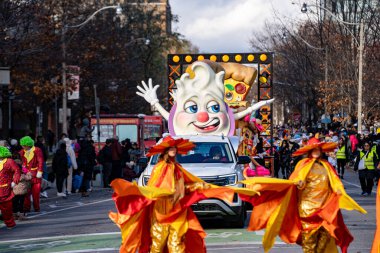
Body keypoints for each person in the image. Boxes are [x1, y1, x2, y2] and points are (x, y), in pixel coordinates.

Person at [109, 135, 256, 252]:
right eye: (170, 148)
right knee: (158, 244)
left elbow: (187, 184)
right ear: (165, 151)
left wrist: (201, 186)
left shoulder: (176, 167)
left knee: (176, 243)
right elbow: (155, 188)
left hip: (177, 211)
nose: (173, 150)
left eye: (174, 147)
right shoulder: (159, 168)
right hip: (161, 213)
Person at [240, 137, 366, 253]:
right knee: (310, 244)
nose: (316, 151)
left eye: (318, 148)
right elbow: (298, 179)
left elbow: (335, 182)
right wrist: (299, 183)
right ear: (309, 150)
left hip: (325, 211)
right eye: (313, 148)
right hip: (308, 211)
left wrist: (339, 191)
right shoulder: (303, 164)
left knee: (326, 240)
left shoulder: (327, 166)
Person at [19, 136, 44, 213]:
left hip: (36, 175)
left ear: (28, 144)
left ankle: (37, 207)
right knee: (26, 193)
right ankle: (27, 207)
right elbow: (21, 163)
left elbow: (40, 161)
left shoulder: (37, 150)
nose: (22, 146)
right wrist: (24, 170)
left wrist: (39, 171)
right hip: (27, 175)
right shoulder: (21, 152)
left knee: (36, 193)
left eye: (24, 145)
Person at [0, 146, 21, 229]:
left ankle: (10, 223)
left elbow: (17, 171)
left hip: (5, 189)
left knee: (6, 208)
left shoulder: (9, 161)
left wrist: (14, 182)